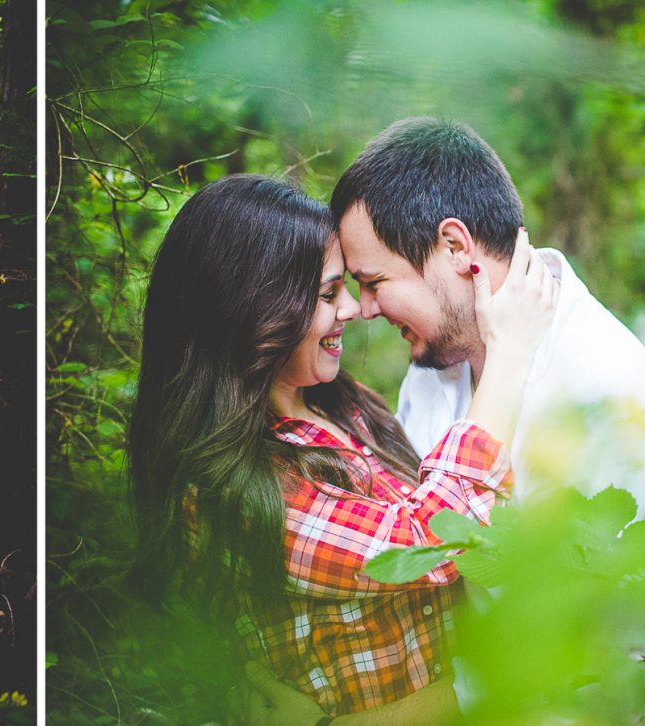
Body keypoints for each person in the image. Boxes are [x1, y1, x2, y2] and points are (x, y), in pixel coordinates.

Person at [127, 174, 557, 719]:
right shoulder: (228, 486)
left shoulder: (340, 405)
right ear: (255, 311)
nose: (353, 309)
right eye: (330, 293)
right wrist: (510, 354)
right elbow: (428, 542)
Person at [330, 117, 645, 525]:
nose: (365, 309)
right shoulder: (436, 363)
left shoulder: (627, 405)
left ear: (455, 247)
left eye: (374, 282)